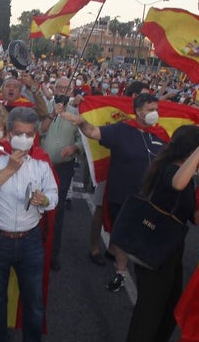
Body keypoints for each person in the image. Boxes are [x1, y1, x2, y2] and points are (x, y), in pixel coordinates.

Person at [117, 124, 199, 342]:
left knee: (171, 311)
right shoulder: (170, 170)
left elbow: (195, 219)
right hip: (154, 248)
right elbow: (177, 184)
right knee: (148, 314)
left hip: (172, 248)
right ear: (191, 148)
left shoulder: (189, 173)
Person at [0, 107, 59, 342]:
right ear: (9, 133)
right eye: (19, 133)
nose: (24, 138)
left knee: (34, 301)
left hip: (30, 241)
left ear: (36, 135)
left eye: (29, 134)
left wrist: (44, 200)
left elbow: (53, 194)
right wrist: (9, 169)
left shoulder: (42, 160)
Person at [62, 93, 166, 292]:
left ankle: (145, 275)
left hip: (150, 198)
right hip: (124, 195)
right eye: (150, 110)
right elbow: (93, 132)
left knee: (145, 237)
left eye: (156, 110)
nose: (155, 114)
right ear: (138, 111)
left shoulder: (161, 134)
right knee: (123, 236)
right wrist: (82, 122)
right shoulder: (122, 130)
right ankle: (121, 273)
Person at [39, 77, 83, 271]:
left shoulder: (76, 114)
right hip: (40, 167)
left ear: (71, 90)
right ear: (53, 88)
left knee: (57, 211)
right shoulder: (42, 108)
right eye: (59, 87)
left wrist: (74, 147)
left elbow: (83, 141)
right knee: (36, 207)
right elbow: (38, 131)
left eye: (66, 88)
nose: (62, 91)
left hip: (63, 168)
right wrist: (51, 114)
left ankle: (52, 253)